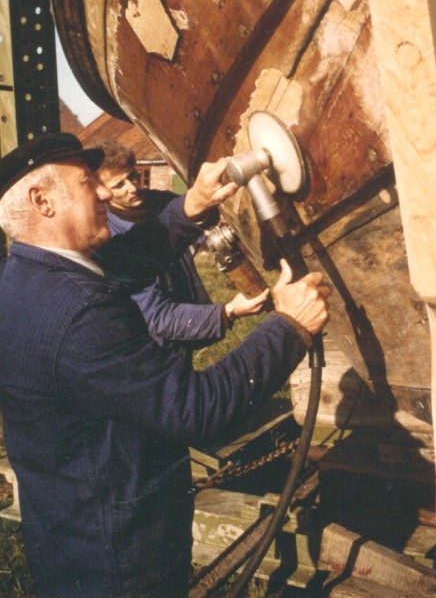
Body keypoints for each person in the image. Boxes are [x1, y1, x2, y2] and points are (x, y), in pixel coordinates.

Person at [0, 132, 329, 598]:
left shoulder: (28, 276)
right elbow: (196, 409)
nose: (103, 193)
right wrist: (289, 327)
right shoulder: (78, 313)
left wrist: (192, 206)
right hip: (120, 561)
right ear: (43, 201)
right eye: (88, 183)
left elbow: (125, 260)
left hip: (71, 535)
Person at [93, 139, 269, 348]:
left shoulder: (159, 202)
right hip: (154, 344)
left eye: (132, 176)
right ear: (102, 191)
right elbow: (156, 317)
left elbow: (201, 224)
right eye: (119, 185)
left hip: (186, 315)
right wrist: (228, 312)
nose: (132, 187)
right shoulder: (112, 240)